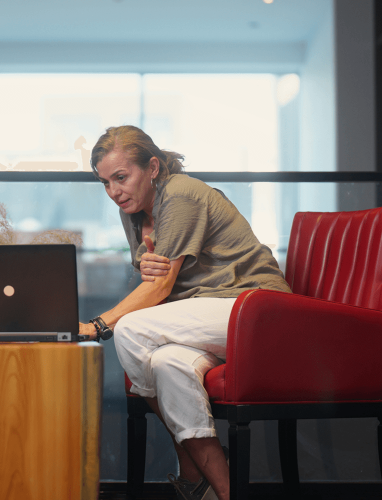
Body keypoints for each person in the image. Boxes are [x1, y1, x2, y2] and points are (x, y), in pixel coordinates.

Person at [79, 125, 290, 500]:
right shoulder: (134, 212)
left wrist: (97, 326)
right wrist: (150, 273)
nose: (113, 192)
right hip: (209, 315)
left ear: (153, 167)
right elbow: (159, 285)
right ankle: (223, 490)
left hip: (256, 308)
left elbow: (159, 288)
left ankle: (192, 467)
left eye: (121, 178)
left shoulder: (180, 195)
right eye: (105, 182)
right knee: (166, 364)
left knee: (128, 330)